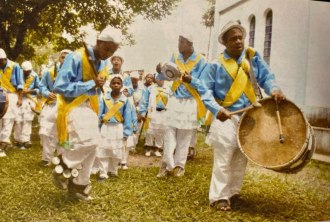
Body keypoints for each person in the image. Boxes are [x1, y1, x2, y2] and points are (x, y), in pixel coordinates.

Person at [200, 21, 286, 211]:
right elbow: (204, 91)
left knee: (241, 156)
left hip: (249, 114)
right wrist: (216, 110)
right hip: (226, 115)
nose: (239, 41)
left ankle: (233, 193)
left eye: (240, 37)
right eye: (233, 38)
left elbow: (267, 77)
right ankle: (219, 196)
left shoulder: (252, 58)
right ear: (225, 42)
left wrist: (274, 89)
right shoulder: (215, 65)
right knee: (224, 156)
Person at [52, 27, 121, 201]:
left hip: (90, 107)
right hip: (72, 106)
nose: (108, 54)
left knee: (93, 146)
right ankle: (62, 165)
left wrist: (96, 86)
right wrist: (89, 84)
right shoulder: (75, 57)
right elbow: (59, 87)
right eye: (106, 49)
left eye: (112, 51)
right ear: (98, 42)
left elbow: (97, 88)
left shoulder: (104, 63)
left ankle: (78, 186)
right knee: (90, 141)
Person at [156, 34, 209, 177]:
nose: (178, 45)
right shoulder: (175, 56)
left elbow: (204, 83)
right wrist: (159, 72)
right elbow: (167, 76)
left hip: (190, 100)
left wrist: (191, 80)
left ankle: (180, 165)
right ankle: (166, 164)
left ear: (189, 43)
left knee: (185, 135)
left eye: (181, 42)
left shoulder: (201, 60)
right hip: (174, 98)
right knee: (169, 132)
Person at [96, 74, 135, 181]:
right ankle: (103, 172)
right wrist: (97, 128)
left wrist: (126, 132)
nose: (116, 85)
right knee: (103, 150)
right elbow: (100, 114)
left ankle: (113, 170)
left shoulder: (125, 100)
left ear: (122, 85)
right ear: (110, 85)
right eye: (114, 83)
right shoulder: (104, 98)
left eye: (118, 83)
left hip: (118, 128)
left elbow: (127, 117)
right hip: (106, 127)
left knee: (116, 150)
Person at [38, 49, 71, 166]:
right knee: (45, 131)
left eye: (68, 58)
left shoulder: (75, 74)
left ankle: (64, 158)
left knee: (66, 133)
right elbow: (41, 86)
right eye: (63, 57)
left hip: (67, 106)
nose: (65, 59)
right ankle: (47, 158)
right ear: (59, 58)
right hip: (51, 104)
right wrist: (47, 93)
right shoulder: (50, 72)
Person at [139, 72, 171, 157]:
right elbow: (144, 101)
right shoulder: (150, 88)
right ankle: (148, 147)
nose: (160, 80)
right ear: (155, 79)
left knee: (161, 130)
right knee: (150, 131)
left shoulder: (168, 89)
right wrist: (142, 112)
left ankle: (157, 148)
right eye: (158, 78)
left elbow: (171, 101)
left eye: (162, 78)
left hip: (164, 112)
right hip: (153, 111)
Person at [0, 48, 23, 157]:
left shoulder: (15, 66)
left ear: (4, 59)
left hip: (12, 95)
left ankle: (3, 145)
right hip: (0, 94)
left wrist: (20, 98)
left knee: (8, 120)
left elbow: (20, 83)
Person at [13, 61, 40, 150]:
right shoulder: (18, 73)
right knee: (17, 119)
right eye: (25, 71)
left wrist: (28, 91)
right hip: (19, 98)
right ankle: (17, 140)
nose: (27, 72)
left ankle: (26, 140)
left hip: (30, 99)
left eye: (28, 71)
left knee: (27, 119)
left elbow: (38, 89)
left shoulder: (35, 75)